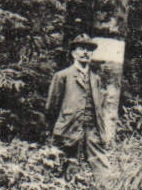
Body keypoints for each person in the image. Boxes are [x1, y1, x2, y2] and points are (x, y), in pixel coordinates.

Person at [45, 36, 113, 179]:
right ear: (73, 53)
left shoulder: (96, 79)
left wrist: (102, 131)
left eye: (89, 50)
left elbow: (99, 108)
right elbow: (51, 107)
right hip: (67, 129)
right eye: (81, 49)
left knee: (103, 167)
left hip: (92, 130)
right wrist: (55, 129)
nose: (85, 53)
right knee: (65, 168)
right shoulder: (62, 76)